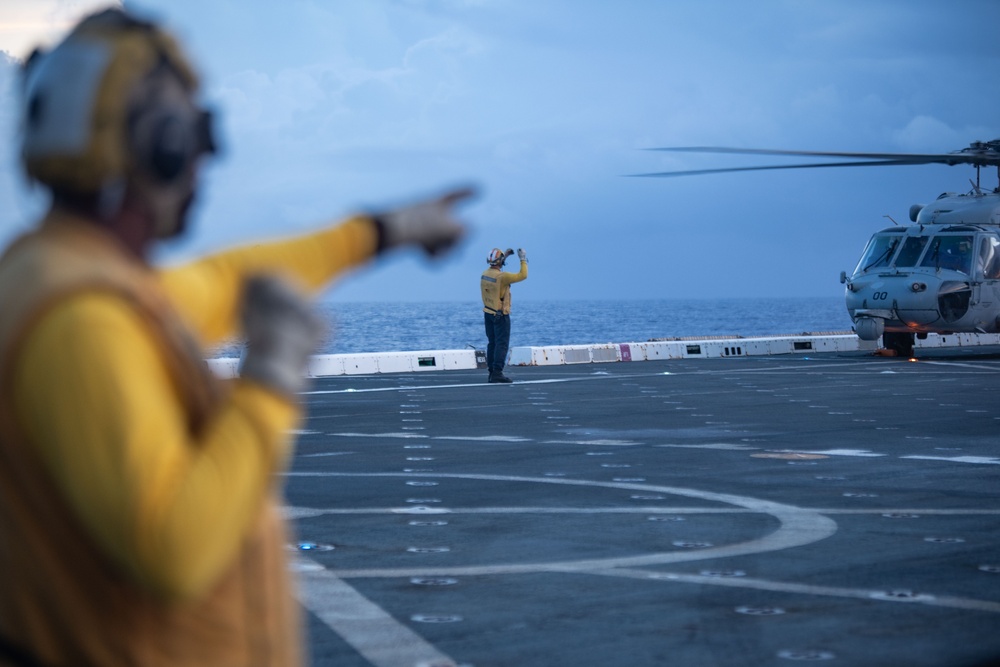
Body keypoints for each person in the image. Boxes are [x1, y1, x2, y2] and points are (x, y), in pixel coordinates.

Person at [0, 8, 472, 667]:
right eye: (192, 134)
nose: (206, 158)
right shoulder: (84, 321)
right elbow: (172, 545)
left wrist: (381, 232)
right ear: (161, 148)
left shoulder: (56, 271)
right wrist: (271, 379)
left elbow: (228, 280)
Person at [480, 246, 528, 383]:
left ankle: (491, 372)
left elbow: (497, 265)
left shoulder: (485, 274)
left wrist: (505, 255)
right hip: (500, 315)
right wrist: (523, 259)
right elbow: (523, 275)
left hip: (488, 313)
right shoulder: (503, 277)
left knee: (492, 343)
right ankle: (497, 372)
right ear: (499, 261)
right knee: (502, 344)